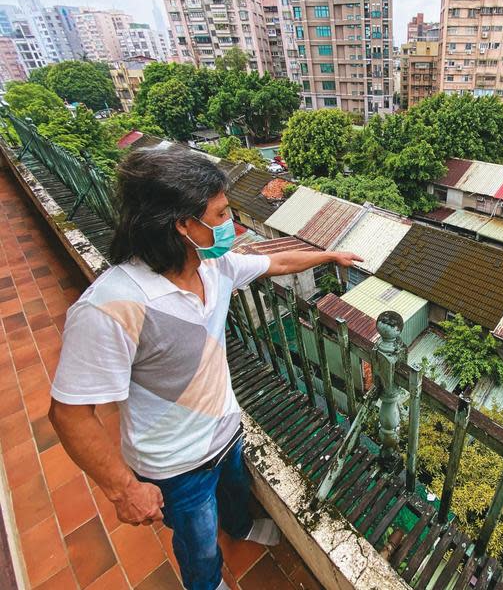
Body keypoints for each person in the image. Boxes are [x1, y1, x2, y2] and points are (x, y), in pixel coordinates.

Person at [48, 147, 363, 590]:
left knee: (235, 497)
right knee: (198, 546)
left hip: (226, 431)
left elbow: (276, 261)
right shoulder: (112, 305)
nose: (231, 227)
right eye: (220, 215)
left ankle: (241, 528)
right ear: (183, 224)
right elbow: (70, 414)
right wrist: (123, 489)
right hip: (175, 466)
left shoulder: (214, 266)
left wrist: (329, 257)